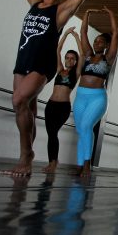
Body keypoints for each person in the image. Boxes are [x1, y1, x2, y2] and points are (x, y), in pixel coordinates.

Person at [6, 0, 92, 176]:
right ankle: (26, 155)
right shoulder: (35, 2)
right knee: (26, 110)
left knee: (17, 101)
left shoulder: (61, 10)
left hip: (42, 64)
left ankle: (26, 155)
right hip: (22, 60)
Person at [72, 7, 118, 177]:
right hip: (80, 96)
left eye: (100, 42)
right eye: (96, 41)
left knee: (85, 126)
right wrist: (87, 14)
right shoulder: (87, 55)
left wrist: (110, 14)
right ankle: (79, 164)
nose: (97, 43)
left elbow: (115, 33)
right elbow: (83, 32)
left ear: (106, 46)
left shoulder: (109, 58)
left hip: (97, 98)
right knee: (81, 130)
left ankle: (86, 164)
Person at [43, 27, 83, 173]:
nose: (69, 60)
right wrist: (65, 34)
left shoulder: (76, 73)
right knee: (51, 134)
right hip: (51, 105)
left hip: (63, 107)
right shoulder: (60, 70)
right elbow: (57, 50)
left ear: (75, 61)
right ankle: (52, 162)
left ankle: (53, 163)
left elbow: (83, 54)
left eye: (72, 58)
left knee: (53, 132)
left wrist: (77, 37)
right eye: (68, 57)